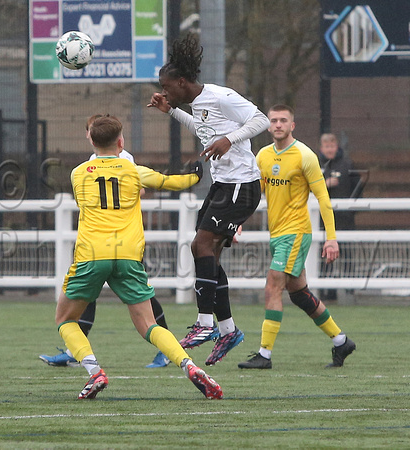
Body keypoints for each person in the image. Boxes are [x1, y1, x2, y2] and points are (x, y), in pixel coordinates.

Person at [55, 114, 222, 399]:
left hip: (92, 254)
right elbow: (168, 182)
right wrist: (195, 174)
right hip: (128, 255)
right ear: (121, 142)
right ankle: (188, 365)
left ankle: (95, 372)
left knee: (65, 320)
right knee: (149, 325)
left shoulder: (78, 173)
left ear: (91, 140)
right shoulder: (133, 170)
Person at [147, 33, 270, 366]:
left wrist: (230, 139)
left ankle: (205, 324)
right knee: (204, 251)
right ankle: (228, 329)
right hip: (223, 185)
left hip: (242, 185)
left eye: (167, 87)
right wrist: (170, 110)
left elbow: (262, 119)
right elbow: (202, 130)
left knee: (202, 246)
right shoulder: (195, 103)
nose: (164, 90)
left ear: (183, 82)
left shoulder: (221, 96)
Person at [40, 114, 173, 369]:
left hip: (122, 239)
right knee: (87, 293)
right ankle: (75, 350)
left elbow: (139, 190)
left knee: (141, 296)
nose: (90, 134)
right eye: (88, 130)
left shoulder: (124, 159)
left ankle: (164, 350)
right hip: (98, 239)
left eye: (91, 130)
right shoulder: (90, 164)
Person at [237, 105, 356, 370]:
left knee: (272, 287)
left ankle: (264, 355)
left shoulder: (305, 155)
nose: (278, 125)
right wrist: (238, 222)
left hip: (296, 232)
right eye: (274, 120)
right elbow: (254, 194)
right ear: (268, 125)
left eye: (283, 120)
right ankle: (341, 341)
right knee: (299, 293)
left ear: (293, 125)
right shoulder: (263, 156)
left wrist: (331, 238)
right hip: (277, 234)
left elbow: (323, 198)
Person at [318, 133, 360, 300]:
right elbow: (308, 188)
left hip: (345, 219)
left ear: (337, 147)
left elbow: (358, 187)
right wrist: (325, 184)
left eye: (332, 146)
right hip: (323, 219)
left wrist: (352, 209)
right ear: (321, 148)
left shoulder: (348, 165)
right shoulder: (316, 164)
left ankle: (349, 290)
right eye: (326, 147)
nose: (329, 149)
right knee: (324, 252)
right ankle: (326, 291)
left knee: (347, 252)